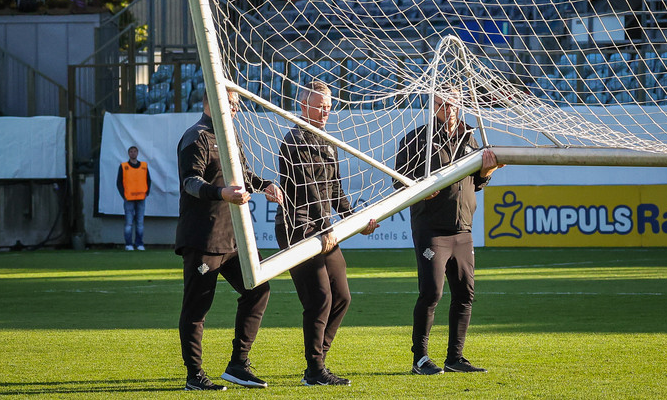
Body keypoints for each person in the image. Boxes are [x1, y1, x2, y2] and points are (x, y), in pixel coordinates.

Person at [176, 90, 283, 391]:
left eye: (237, 104)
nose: (236, 109)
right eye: (231, 104)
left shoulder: (231, 136)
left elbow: (243, 175)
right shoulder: (196, 137)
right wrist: (221, 193)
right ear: (211, 101)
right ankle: (194, 375)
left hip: (234, 238)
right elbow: (190, 182)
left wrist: (265, 185)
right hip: (204, 238)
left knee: (258, 289)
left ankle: (238, 364)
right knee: (197, 308)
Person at [276, 79, 379, 387]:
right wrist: (326, 226)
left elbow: (335, 191)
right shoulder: (294, 140)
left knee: (342, 297)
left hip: (322, 228)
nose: (326, 112)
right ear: (303, 105)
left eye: (329, 107)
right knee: (320, 298)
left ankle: (317, 360)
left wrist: (355, 220)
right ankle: (315, 370)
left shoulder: (328, 141)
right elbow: (308, 189)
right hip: (298, 227)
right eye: (320, 107)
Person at [394, 90, 503, 376]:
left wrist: (488, 171)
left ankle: (455, 358)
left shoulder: (470, 138)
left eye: (453, 103)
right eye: (442, 103)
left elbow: (477, 183)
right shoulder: (417, 139)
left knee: (465, 294)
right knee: (432, 292)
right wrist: (420, 190)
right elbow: (399, 181)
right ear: (432, 106)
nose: (449, 108)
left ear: (460, 105)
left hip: (463, 229)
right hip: (431, 229)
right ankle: (420, 359)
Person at [116, 145, 151, 251]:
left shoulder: (144, 166)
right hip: (129, 198)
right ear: (128, 153)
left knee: (140, 223)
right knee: (129, 223)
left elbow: (148, 180)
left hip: (141, 197)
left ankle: (139, 243)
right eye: (131, 151)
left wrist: (147, 192)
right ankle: (128, 244)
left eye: (135, 151)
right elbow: (119, 182)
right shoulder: (123, 166)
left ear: (137, 153)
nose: (133, 153)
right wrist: (123, 195)